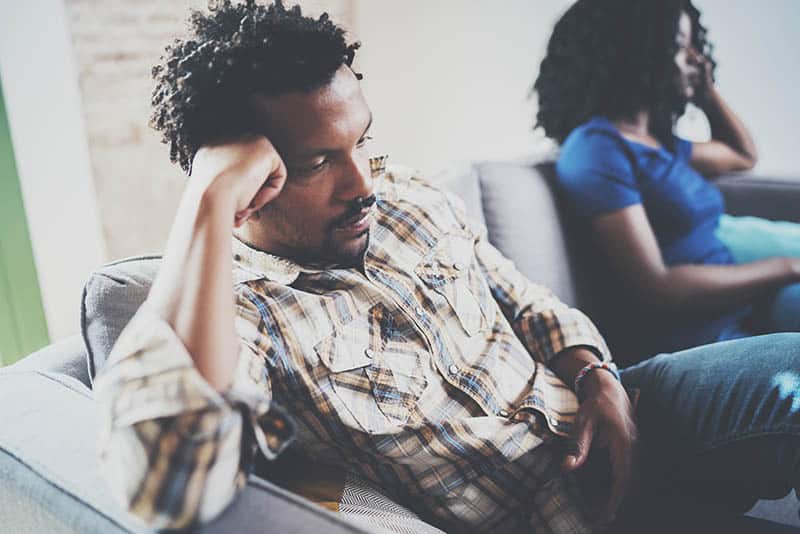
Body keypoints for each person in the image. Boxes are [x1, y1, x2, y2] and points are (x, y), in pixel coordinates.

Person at [95, 1, 800, 532]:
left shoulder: (399, 193)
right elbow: (168, 481)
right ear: (247, 185)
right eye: (317, 163)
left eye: (362, 143)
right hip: (557, 512)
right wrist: (208, 196)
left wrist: (598, 378)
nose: (364, 184)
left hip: (626, 407)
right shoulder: (246, 314)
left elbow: (525, 299)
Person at [534, 0, 800, 360]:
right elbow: (657, 287)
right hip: (698, 338)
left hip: (740, 311)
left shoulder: (659, 143)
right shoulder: (597, 149)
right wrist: (786, 266)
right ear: (641, 55)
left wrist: (706, 93)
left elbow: (742, 155)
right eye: (680, 46)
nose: (696, 58)